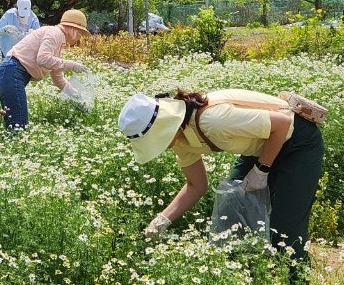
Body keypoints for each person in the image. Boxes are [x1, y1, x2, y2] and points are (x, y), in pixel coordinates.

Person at [118, 88, 325, 268]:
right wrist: (162, 220)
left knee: (285, 228)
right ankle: (243, 273)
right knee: (232, 204)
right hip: (263, 144)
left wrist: (261, 170)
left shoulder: (212, 120)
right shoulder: (180, 139)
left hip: (297, 143)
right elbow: (196, 185)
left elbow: (282, 123)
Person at [0, 9, 90, 132]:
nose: (79, 38)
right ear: (73, 29)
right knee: (18, 127)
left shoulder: (58, 40)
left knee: (15, 125)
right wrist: (71, 65)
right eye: (80, 33)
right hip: (11, 73)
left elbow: (58, 78)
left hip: (8, 74)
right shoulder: (55, 33)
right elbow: (43, 59)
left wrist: (77, 95)